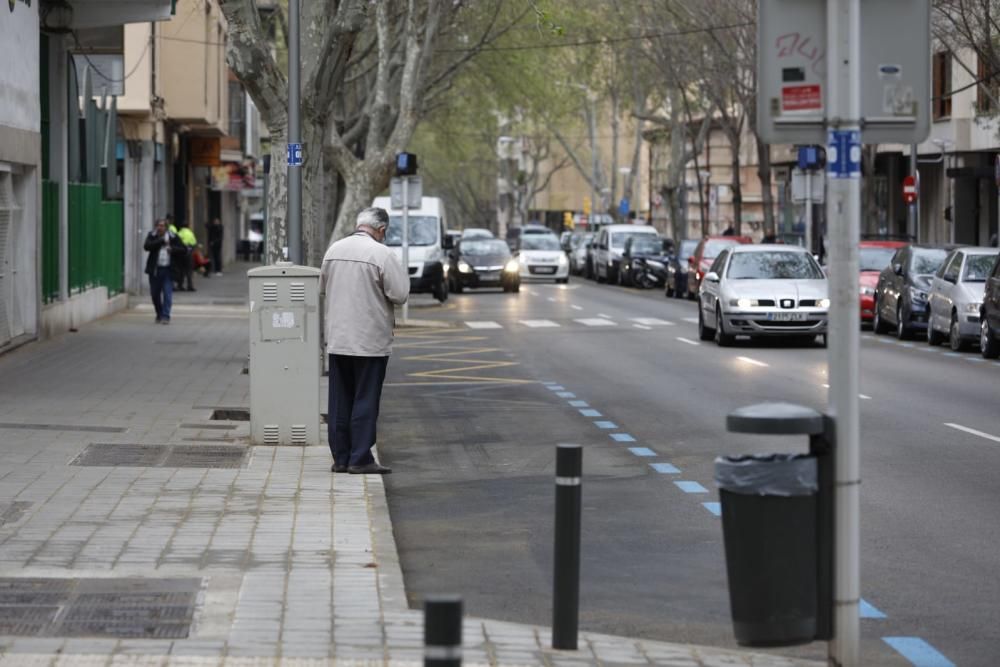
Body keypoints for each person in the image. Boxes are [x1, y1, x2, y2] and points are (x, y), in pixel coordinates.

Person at [320, 207, 409, 474]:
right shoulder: (382, 254)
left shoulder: (333, 250)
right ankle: (360, 458)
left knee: (339, 399)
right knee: (365, 398)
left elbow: (322, 288)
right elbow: (400, 294)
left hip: (338, 338)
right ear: (381, 230)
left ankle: (341, 458)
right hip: (369, 340)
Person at [143, 218, 185, 324]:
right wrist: (160, 241)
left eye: (162, 226)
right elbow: (147, 246)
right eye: (158, 225)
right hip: (155, 270)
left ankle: (166, 316)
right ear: (156, 226)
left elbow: (183, 249)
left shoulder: (173, 236)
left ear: (166, 227)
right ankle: (159, 313)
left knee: (167, 294)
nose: (160, 228)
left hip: (168, 270)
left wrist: (172, 249)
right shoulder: (152, 235)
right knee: (154, 294)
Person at [176, 221, 198, 291]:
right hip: (188, 253)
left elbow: (176, 243)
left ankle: (180, 285)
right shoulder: (190, 233)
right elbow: (194, 243)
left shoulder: (179, 233)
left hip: (180, 253)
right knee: (189, 270)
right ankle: (190, 286)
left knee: (181, 270)